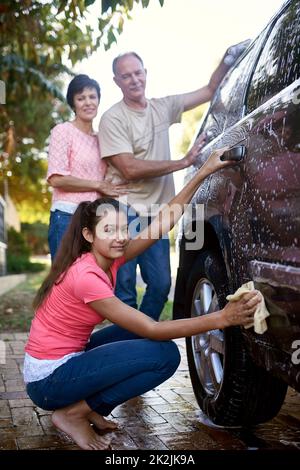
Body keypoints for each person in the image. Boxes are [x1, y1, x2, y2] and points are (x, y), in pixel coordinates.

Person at [23, 146, 261, 450]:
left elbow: (163, 222)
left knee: (138, 333)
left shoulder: (108, 258)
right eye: (109, 230)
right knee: (164, 356)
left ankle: (88, 409)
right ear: (88, 235)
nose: (120, 237)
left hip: (67, 359)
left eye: (123, 228)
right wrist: (223, 317)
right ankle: (74, 412)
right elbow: (152, 330)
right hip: (49, 382)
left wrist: (203, 171)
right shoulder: (86, 277)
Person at [98, 43, 250, 320]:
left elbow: (208, 90)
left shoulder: (162, 107)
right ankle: (129, 345)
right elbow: (129, 168)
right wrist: (182, 162)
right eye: (126, 76)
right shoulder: (112, 118)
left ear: (145, 73)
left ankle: (140, 335)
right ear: (116, 81)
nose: (134, 80)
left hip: (158, 210)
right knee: (125, 288)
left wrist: (228, 59)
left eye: (137, 73)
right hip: (124, 210)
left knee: (160, 284)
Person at [47, 74, 128, 260]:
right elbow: (56, 179)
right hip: (67, 217)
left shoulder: (101, 138)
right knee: (64, 278)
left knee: (91, 277)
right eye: (81, 98)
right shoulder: (63, 131)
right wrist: (98, 185)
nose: (88, 102)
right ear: (73, 103)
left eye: (92, 97)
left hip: (96, 218)